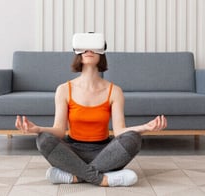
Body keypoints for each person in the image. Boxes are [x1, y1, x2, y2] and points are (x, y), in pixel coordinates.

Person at [15, 33, 167, 187]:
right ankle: (103, 179)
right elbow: (60, 131)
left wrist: (145, 128)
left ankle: (75, 176)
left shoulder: (114, 91)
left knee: (133, 139)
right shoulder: (63, 89)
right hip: (72, 151)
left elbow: (120, 131)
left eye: (94, 47)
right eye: (84, 47)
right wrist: (37, 129)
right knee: (43, 139)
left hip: (105, 152)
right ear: (77, 53)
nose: (89, 50)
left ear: (102, 53)